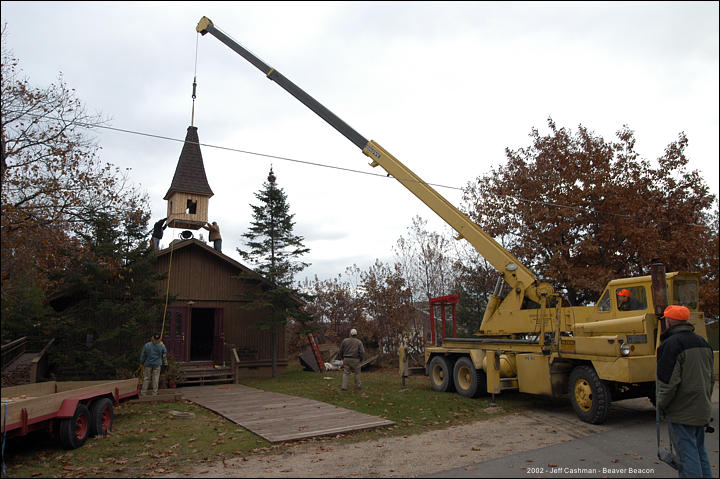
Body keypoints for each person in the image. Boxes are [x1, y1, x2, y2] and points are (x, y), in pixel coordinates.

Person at [656, 305, 715, 478]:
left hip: (681, 410)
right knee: (699, 451)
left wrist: (661, 405)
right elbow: (710, 379)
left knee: (687, 456)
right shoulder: (703, 342)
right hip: (701, 407)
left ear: (669, 321)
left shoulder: (670, 345)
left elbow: (668, 383)